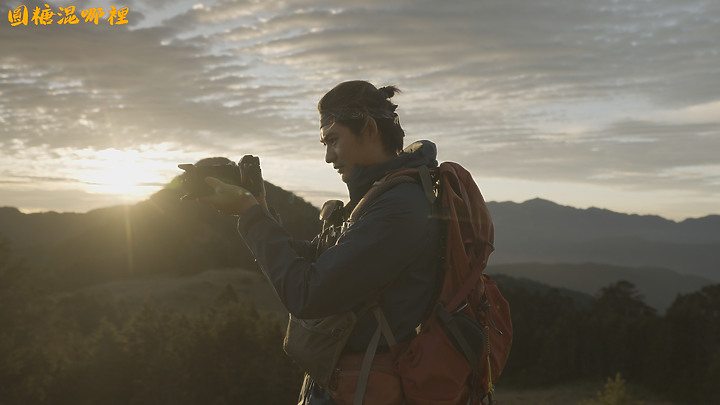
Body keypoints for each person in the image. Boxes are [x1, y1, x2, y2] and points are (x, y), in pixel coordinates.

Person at [201, 80, 443, 404]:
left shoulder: (398, 206)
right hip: (345, 384)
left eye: (332, 140)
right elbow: (314, 257)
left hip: (365, 390)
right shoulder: (378, 197)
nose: (328, 157)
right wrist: (257, 208)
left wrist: (250, 214)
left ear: (368, 129)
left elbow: (308, 294)